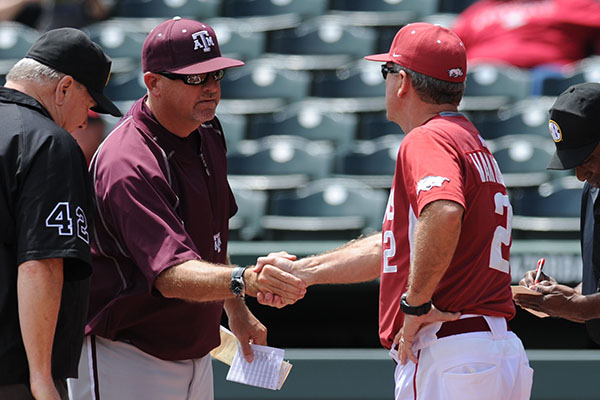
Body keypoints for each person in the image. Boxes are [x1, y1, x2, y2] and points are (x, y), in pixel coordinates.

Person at [257, 22, 533, 400]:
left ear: (402, 81)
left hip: (451, 351)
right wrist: (303, 272)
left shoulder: (427, 136)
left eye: (386, 71)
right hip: (488, 351)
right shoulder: (468, 138)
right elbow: (397, 245)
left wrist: (415, 304)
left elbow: (444, 211)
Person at [67, 17, 306, 400]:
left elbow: (211, 239)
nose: (211, 88)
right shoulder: (127, 161)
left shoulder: (207, 129)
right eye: (195, 78)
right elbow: (170, 275)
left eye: (215, 75)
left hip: (195, 350)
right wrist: (244, 280)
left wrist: (237, 310)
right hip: (126, 353)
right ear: (153, 83)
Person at [0, 27, 121, 400]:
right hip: (11, 373)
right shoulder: (48, 143)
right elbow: (42, 263)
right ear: (64, 87)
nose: (86, 120)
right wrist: (40, 378)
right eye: (88, 104)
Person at [514, 82, 600, 344]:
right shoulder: (593, 190)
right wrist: (562, 295)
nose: (580, 175)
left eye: (585, 159)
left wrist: (579, 306)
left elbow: (586, 307)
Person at [452, 0, 600, 70]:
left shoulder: (565, 4)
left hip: (546, 76)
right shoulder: (478, 10)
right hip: (481, 74)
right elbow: (449, 46)